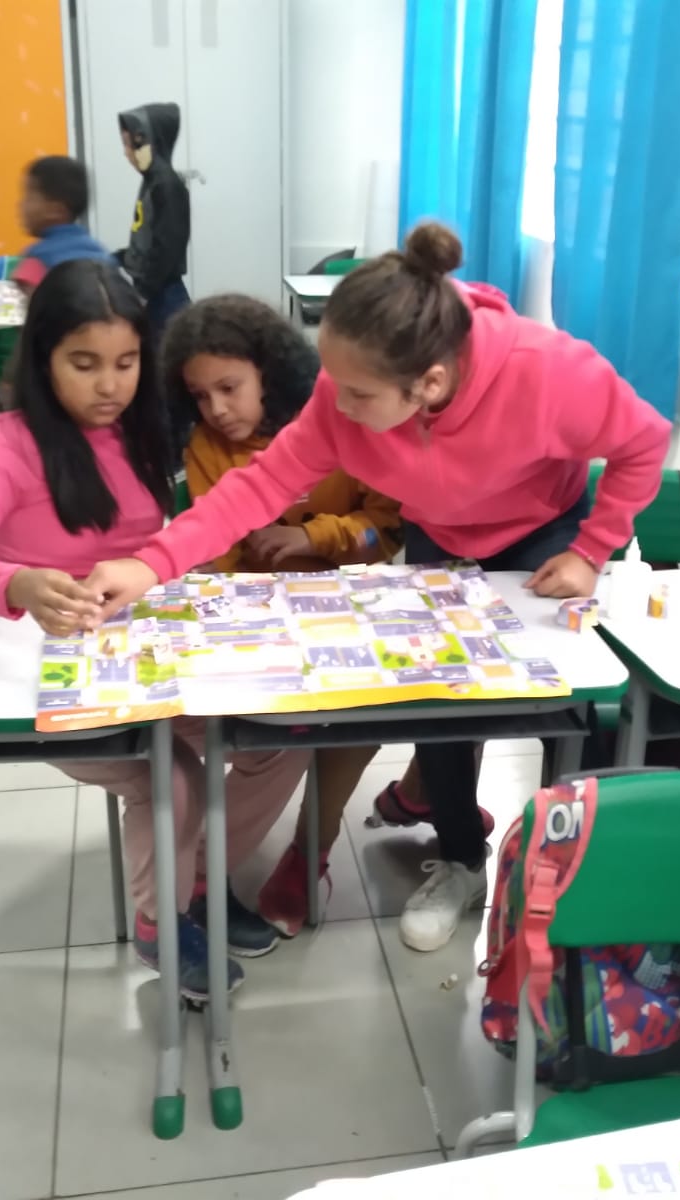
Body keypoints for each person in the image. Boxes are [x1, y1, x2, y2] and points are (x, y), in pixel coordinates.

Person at [82, 221, 674, 953]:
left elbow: (644, 441)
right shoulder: (347, 391)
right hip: (441, 534)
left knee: (564, 701)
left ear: (429, 384)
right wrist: (150, 565)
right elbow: (258, 487)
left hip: (542, 532)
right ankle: (462, 858)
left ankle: (573, 865)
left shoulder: (547, 371)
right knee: (442, 698)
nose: (338, 408)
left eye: (358, 395)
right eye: (335, 385)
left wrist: (590, 550)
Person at [0, 261, 308, 1000]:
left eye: (126, 363)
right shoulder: (7, 444)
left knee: (280, 739)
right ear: (43, 360)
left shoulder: (146, 429)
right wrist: (16, 583)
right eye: (84, 363)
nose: (109, 386)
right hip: (62, 674)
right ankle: (162, 921)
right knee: (171, 776)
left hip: (157, 654)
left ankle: (198, 882)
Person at [163, 293, 408, 937]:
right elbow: (215, 548)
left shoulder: (343, 420)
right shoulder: (205, 445)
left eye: (229, 388)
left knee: (364, 714)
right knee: (261, 735)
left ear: (270, 372)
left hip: (341, 607)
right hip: (254, 622)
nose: (217, 409)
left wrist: (312, 537)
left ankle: (308, 852)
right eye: (200, 396)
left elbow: (383, 531)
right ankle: (195, 873)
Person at [116, 103, 189, 336]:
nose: (126, 153)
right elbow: (146, 237)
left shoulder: (167, 185)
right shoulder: (151, 182)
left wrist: (144, 293)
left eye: (129, 144)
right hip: (155, 290)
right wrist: (120, 258)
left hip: (164, 295)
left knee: (169, 350)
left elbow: (168, 246)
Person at [12, 155, 108, 292]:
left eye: (29, 197)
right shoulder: (101, 252)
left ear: (55, 210)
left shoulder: (37, 258)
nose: (20, 205)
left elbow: (33, 302)